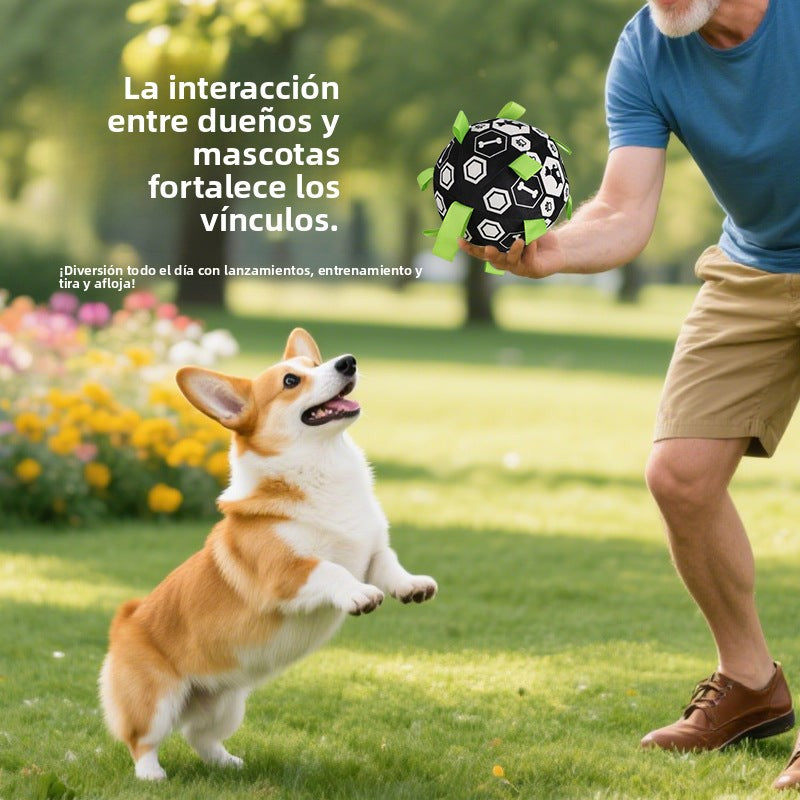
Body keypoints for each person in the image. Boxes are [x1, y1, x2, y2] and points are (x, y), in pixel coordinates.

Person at [460, 0, 800, 790]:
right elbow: (621, 209)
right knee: (680, 477)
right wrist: (547, 252)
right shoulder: (647, 50)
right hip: (753, 267)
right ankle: (751, 685)